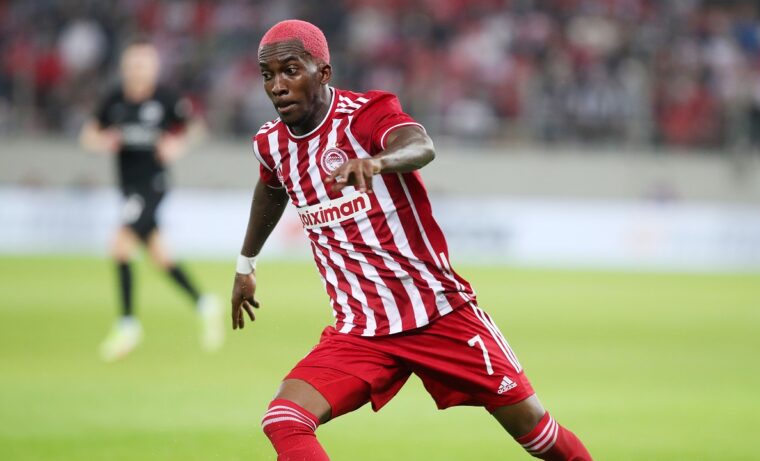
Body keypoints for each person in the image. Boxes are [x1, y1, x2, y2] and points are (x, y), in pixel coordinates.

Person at [231, 20, 592, 460]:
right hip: (362, 330)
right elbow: (272, 189)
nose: (277, 86)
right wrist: (246, 264)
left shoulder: (366, 114)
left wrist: (377, 162)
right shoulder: (271, 143)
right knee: (284, 419)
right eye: (268, 75)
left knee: (538, 435)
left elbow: (420, 144)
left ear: (322, 73)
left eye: (291, 71)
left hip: (439, 315)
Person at [80, 39, 222, 362]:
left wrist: (176, 145)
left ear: (154, 68)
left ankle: (127, 325)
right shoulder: (114, 100)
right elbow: (88, 136)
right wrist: (104, 140)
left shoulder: (166, 98)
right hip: (128, 189)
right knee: (161, 257)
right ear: (124, 67)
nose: (138, 70)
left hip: (153, 186)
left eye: (144, 64)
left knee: (120, 246)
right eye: (133, 64)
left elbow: (197, 128)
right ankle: (205, 304)